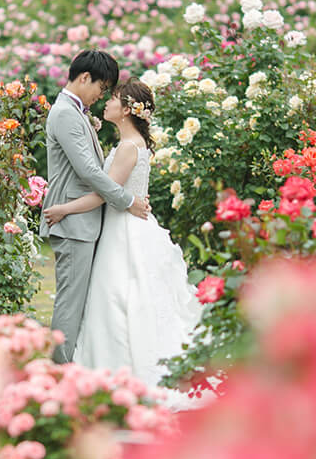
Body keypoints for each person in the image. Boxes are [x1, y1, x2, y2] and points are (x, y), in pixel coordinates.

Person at [44, 79, 201, 387]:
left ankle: (118, 364)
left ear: (128, 110)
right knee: (120, 295)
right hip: (123, 224)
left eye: (114, 98)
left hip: (125, 232)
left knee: (120, 295)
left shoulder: (129, 148)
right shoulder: (127, 145)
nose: (107, 101)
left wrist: (65, 209)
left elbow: (104, 194)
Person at [40, 50, 151, 365]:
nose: (101, 96)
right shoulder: (64, 113)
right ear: (84, 77)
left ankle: (67, 363)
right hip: (74, 223)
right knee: (70, 302)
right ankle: (60, 367)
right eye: (101, 88)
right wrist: (127, 200)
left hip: (82, 221)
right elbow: (88, 171)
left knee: (78, 301)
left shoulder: (74, 112)